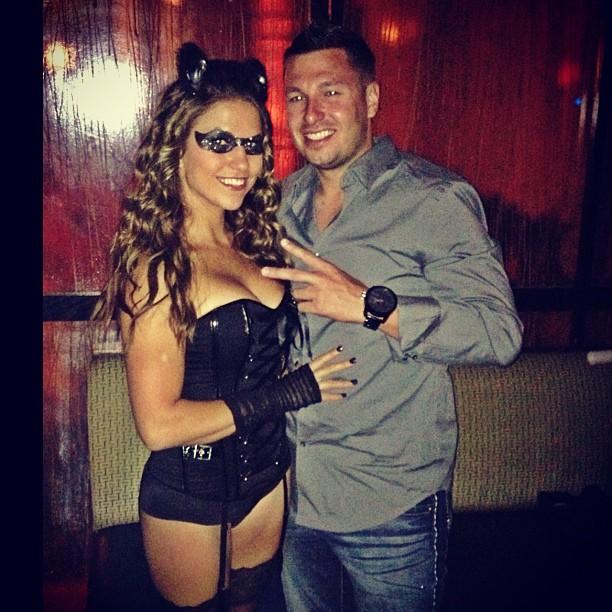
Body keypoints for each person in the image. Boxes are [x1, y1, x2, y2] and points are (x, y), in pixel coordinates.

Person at [259, 22, 524, 612]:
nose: (311, 113)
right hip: (294, 493)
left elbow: (499, 333)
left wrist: (369, 307)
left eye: (331, 91)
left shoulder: (434, 199)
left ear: (371, 98)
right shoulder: (280, 203)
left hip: (391, 503)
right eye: (297, 96)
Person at [92, 41, 354, 612]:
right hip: (192, 493)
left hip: (268, 481)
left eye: (253, 145)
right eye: (218, 142)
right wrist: (290, 392)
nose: (241, 162)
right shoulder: (159, 268)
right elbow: (158, 426)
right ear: (177, 147)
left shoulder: (254, 243)